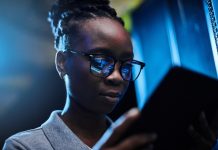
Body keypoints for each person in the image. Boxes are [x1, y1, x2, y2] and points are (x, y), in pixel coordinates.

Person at [2, 0, 218, 150]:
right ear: (62, 63)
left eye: (126, 66)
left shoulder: (142, 142)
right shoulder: (24, 145)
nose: (117, 77)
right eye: (101, 61)